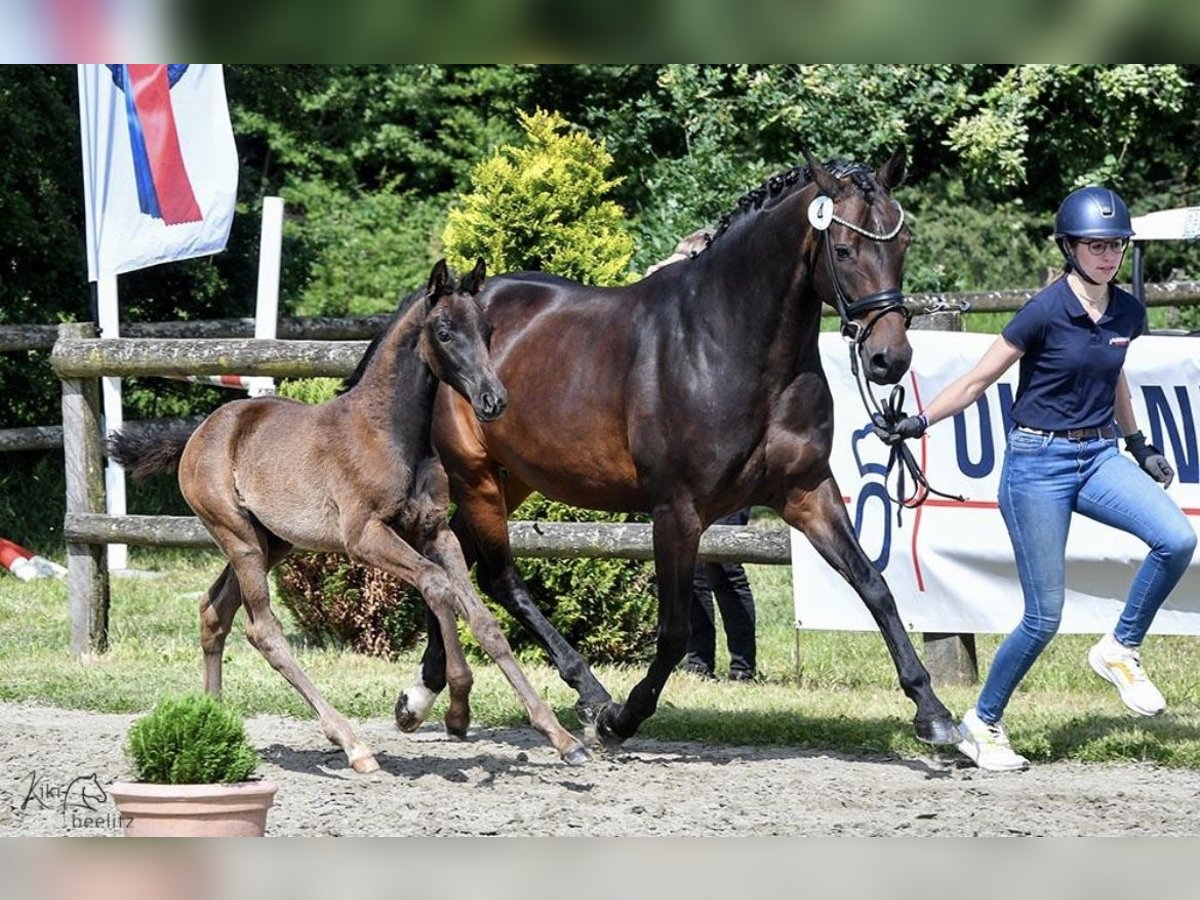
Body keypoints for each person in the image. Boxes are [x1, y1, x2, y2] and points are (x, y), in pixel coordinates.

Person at [875, 185, 1196, 772]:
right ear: (1070, 247)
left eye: (1116, 245)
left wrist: (1138, 443)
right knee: (1044, 616)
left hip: (1099, 457)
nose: (1107, 255)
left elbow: (1115, 376)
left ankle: (1120, 648)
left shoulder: (1128, 311)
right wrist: (918, 421)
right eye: (1095, 245)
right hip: (1037, 465)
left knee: (1177, 539)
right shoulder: (1044, 311)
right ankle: (982, 724)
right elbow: (976, 381)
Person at [683, 509, 758, 682]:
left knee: (726, 568)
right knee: (694, 572)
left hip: (731, 487)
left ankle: (742, 669)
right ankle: (698, 665)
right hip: (694, 489)